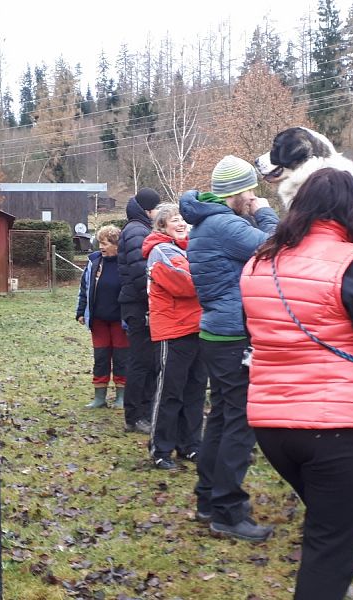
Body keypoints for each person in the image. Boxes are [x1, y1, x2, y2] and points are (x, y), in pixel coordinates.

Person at [240, 168, 353, 599]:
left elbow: (260, 336)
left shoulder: (259, 262)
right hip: (339, 430)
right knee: (330, 548)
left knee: (325, 526)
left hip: (272, 426)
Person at [179, 154, 279, 542]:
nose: (253, 197)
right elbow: (274, 247)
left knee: (221, 418)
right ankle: (228, 511)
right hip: (232, 336)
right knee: (240, 423)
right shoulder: (224, 224)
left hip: (217, 335)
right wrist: (267, 213)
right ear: (237, 192)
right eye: (250, 191)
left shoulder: (210, 221)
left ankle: (208, 499)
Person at [142, 203, 206, 470]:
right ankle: (161, 448)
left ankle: (190, 445)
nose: (181, 224)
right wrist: (212, 277)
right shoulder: (161, 251)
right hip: (173, 331)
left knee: (195, 391)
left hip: (197, 328)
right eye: (175, 220)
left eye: (183, 220)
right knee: (170, 393)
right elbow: (186, 282)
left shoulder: (187, 249)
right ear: (163, 226)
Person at [117, 187, 161, 433]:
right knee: (141, 361)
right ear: (148, 210)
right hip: (139, 305)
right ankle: (135, 416)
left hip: (139, 304)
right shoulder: (137, 231)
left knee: (145, 360)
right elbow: (140, 272)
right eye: (156, 209)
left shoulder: (139, 229)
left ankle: (143, 411)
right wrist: (152, 299)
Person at [76, 225, 128, 409]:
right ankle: (99, 397)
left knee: (121, 358)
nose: (101, 247)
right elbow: (84, 288)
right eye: (100, 243)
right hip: (98, 320)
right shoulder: (94, 262)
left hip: (120, 320)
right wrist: (81, 311)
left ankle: (121, 397)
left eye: (105, 244)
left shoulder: (126, 263)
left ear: (116, 244)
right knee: (101, 358)